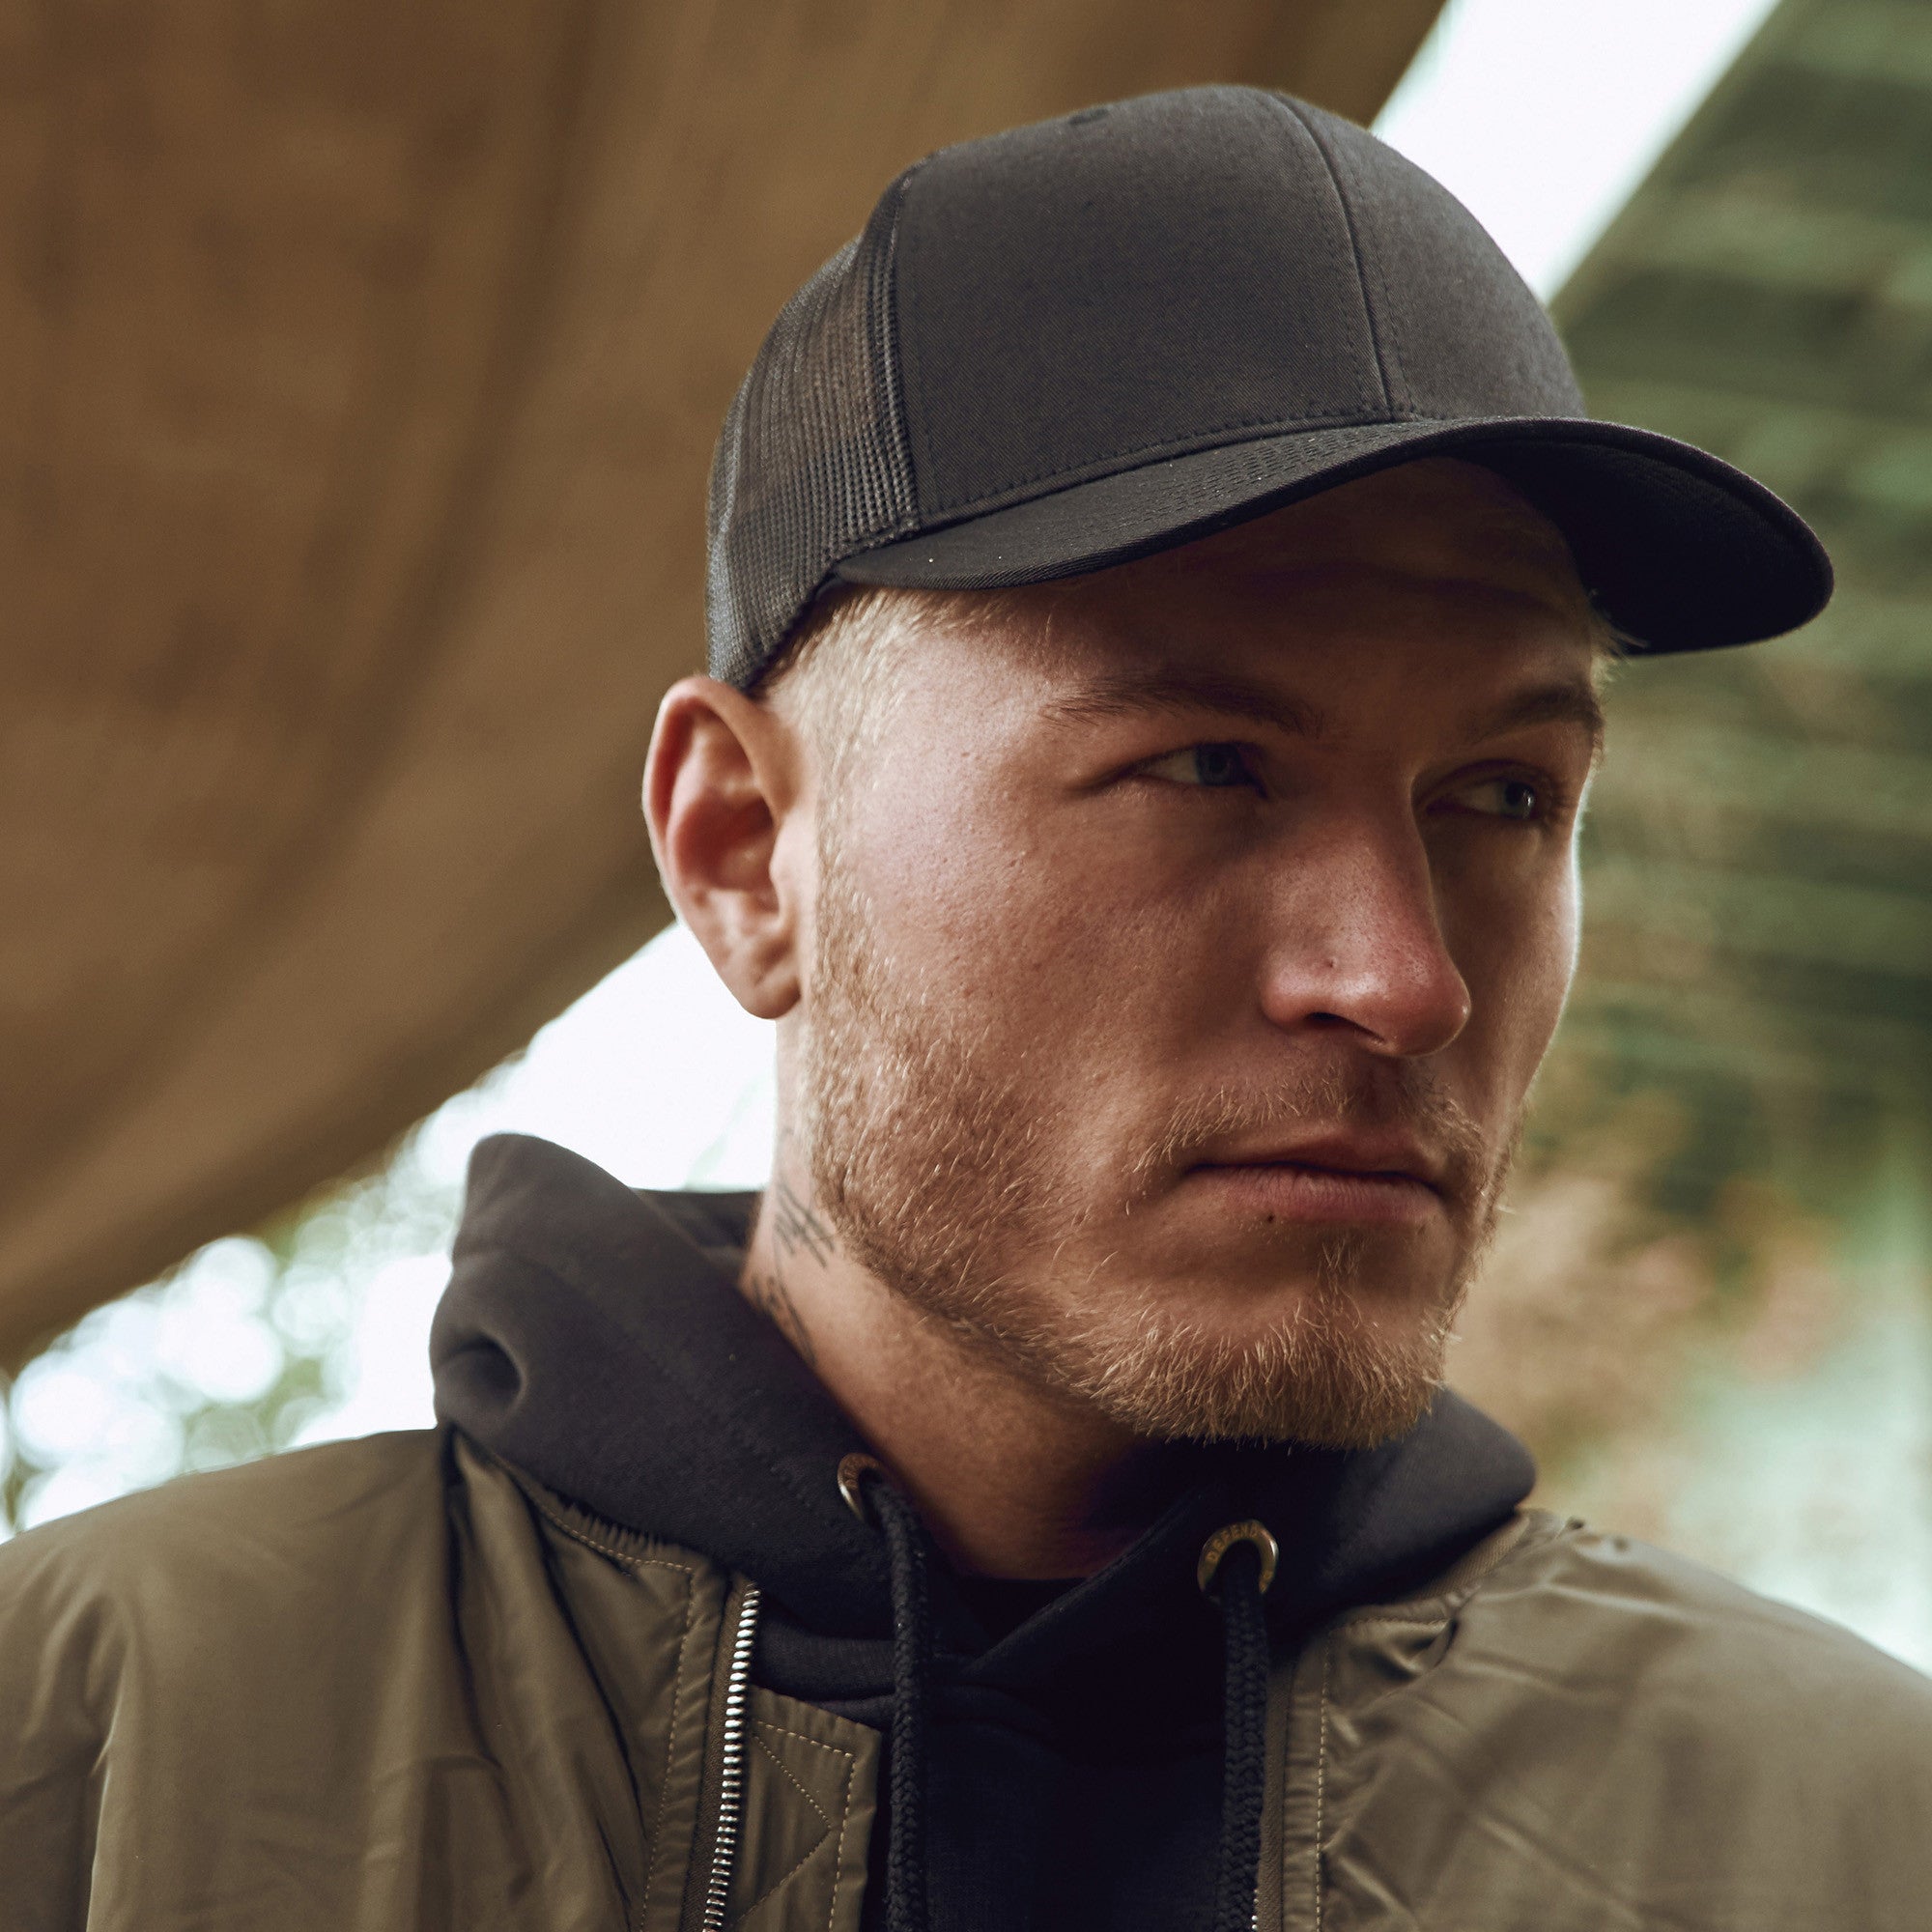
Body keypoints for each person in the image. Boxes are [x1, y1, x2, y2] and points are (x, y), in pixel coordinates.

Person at [1, 84, 1925, 1932]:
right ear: (746, 853)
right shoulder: (97, 1754)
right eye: (1208, 768)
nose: (1402, 980)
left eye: (1503, 796)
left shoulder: (1849, 1842)